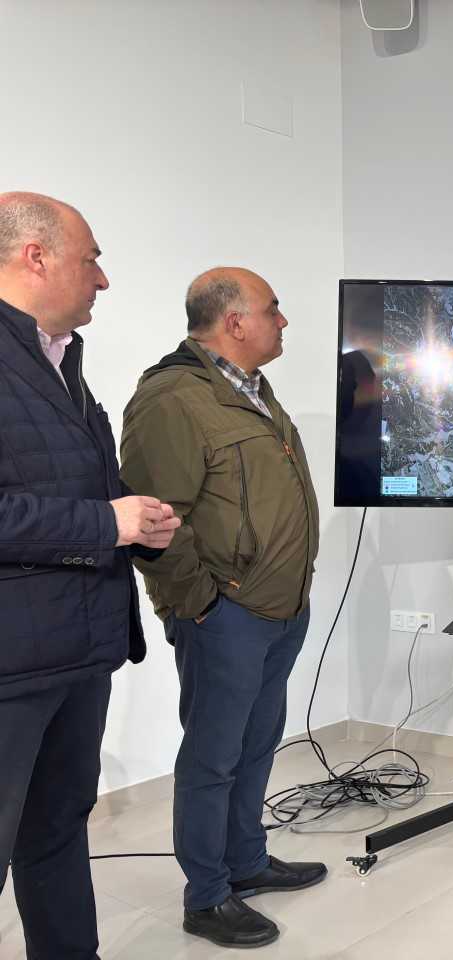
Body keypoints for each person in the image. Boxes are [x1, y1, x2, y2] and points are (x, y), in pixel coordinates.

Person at [120, 267, 323, 950]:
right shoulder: (172, 398)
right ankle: (206, 898)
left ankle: (246, 862)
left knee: (257, 743)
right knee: (212, 757)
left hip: (278, 609)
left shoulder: (251, 389)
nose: (283, 320)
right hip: (225, 615)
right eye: (273, 309)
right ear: (234, 322)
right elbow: (154, 520)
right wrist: (200, 604)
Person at [0, 191, 179, 959]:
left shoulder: (61, 362)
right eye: (92, 259)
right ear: (35, 256)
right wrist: (108, 523)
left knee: (56, 831)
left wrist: (141, 527)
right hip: (11, 667)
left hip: (78, 652)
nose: (102, 278)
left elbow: (82, 489)